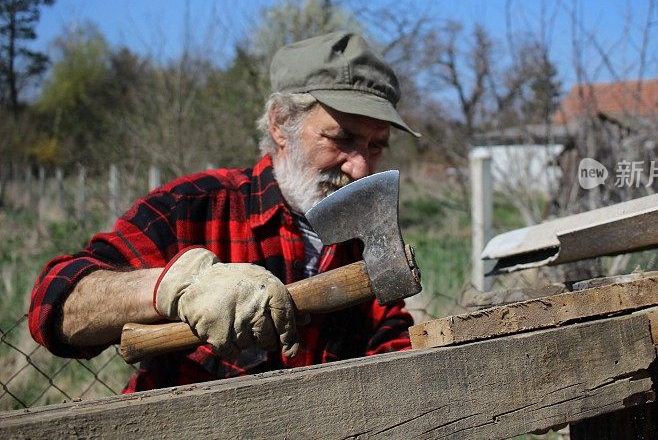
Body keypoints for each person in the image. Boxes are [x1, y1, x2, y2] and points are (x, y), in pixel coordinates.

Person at [28, 31, 421, 391]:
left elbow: (390, 342)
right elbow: (56, 301)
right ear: (281, 123)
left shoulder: (360, 240)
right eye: (342, 137)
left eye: (376, 145)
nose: (362, 167)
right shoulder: (194, 208)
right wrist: (175, 288)